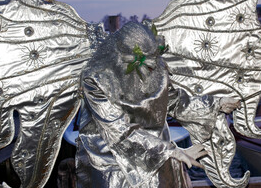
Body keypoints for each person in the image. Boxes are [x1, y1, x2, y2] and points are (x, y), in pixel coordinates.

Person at [76, 22, 239, 187]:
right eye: (146, 64)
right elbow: (118, 131)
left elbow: (177, 103)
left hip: (160, 159)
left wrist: (215, 104)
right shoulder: (95, 79)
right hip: (115, 165)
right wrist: (170, 151)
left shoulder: (157, 68)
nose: (153, 68)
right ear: (123, 59)